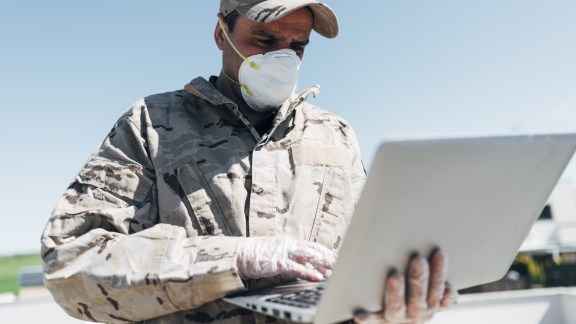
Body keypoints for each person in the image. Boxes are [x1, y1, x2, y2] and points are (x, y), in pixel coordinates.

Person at [41, 1, 457, 323]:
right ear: (221, 34)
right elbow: (71, 266)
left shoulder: (336, 136)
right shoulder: (151, 124)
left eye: (298, 46)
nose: (284, 60)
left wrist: (393, 303)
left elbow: (362, 268)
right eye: (264, 40)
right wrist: (234, 258)